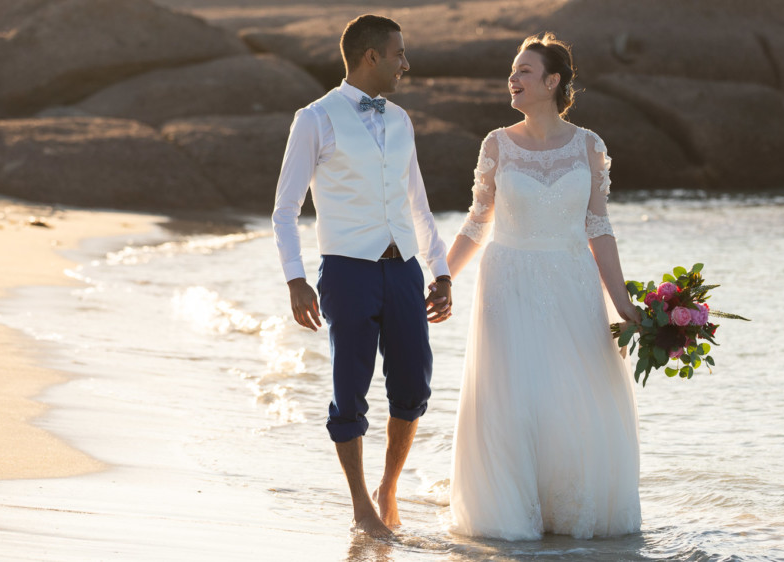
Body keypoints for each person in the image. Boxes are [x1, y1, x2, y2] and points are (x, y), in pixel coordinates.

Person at [446, 32, 642, 540]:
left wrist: (623, 303)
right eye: (512, 71)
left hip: (573, 281)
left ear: (552, 81)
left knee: (573, 398)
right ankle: (512, 515)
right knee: (514, 398)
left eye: (524, 71)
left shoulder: (589, 146)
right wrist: (443, 278)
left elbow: (598, 226)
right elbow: (476, 222)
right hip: (507, 282)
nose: (513, 79)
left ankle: (569, 512)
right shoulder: (496, 143)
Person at [272, 14, 452, 539]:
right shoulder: (315, 118)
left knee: (414, 385)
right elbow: (286, 209)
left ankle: (388, 487)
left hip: (403, 272)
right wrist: (295, 279)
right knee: (349, 391)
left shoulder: (401, 120)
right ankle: (360, 507)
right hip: (346, 271)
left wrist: (439, 271)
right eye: (399, 54)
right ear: (371, 56)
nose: (406, 63)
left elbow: (417, 201)